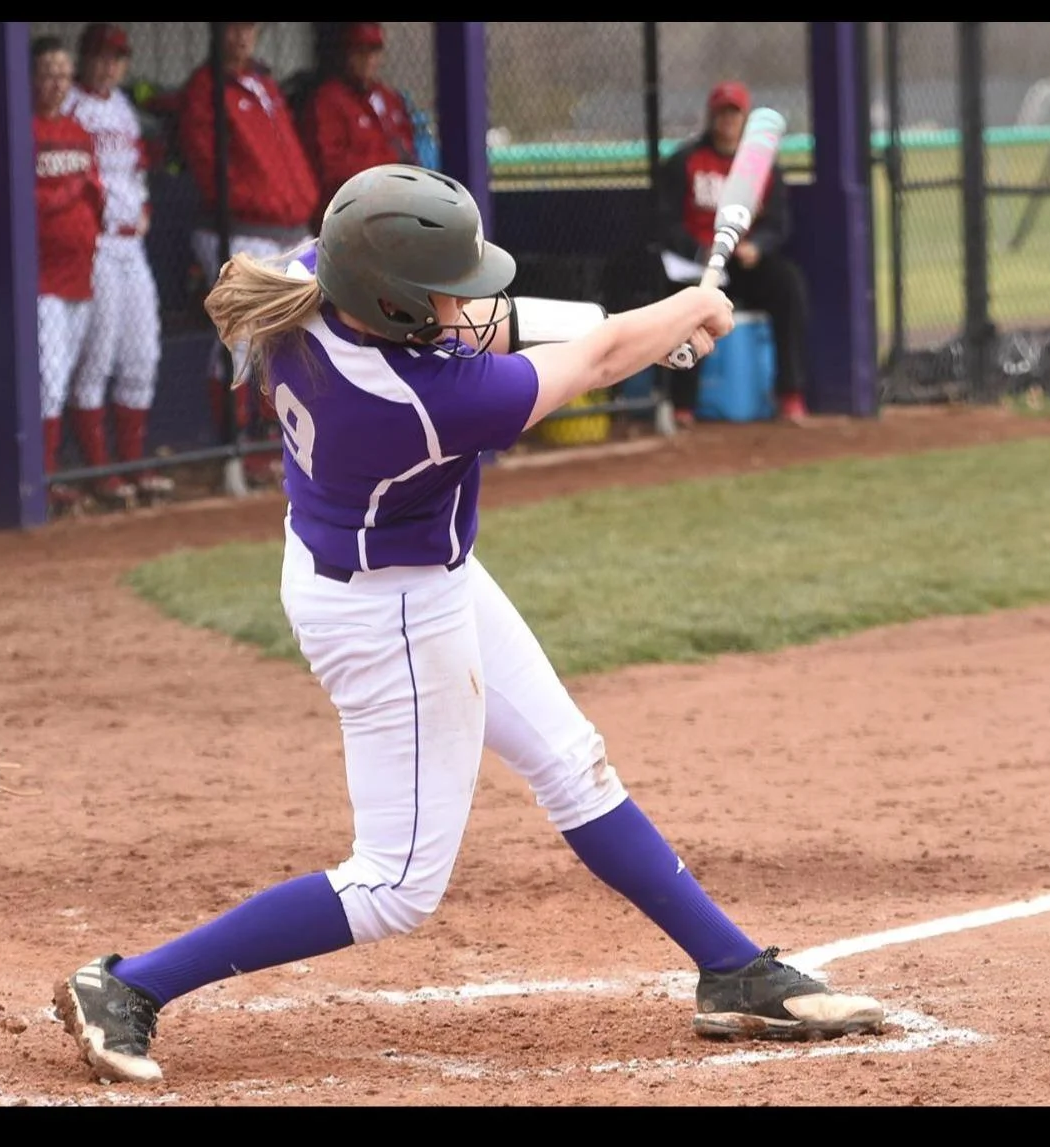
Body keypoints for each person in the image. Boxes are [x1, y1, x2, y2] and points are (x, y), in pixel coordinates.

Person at [50, 164, 887, 1086]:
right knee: (393, 885)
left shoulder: (311, 282)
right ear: (394, 302)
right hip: (393, 614)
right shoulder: (421, 402)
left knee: (571, 759)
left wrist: (664, 321)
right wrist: (670, 319)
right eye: (442, 288)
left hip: (382, 567)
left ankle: (734, 971)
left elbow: (518, 327)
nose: (465, 300)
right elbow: (591, 360)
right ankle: (131, 985)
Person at [177, 21, 318, 485]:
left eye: (249, 29)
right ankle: (232, 453)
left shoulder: (262, 82)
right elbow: (206, 162)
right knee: (241, 339)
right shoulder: (206, 87)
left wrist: (294, 203)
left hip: (286, 228)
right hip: (239, 230)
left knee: (289, 336)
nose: (242, 37)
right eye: (234, 29)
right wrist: (255, 202)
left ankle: (270, 445)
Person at [655, 80, 810, 427]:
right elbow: (665, 223)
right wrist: (699, 250)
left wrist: (759, 246)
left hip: (743, 263)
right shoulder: (686, 161)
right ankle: (683, 404)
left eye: (734, 113)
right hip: (698, 263)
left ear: (744, 118)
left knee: (789, 284)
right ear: (711, 116)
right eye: (722, 113)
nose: (727, 120)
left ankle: (791, 395)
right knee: (688, 306)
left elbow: (778, 223)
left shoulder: (762, 168)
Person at [65, 22, 171, 504]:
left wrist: (144, 206)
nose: (109, 65)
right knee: (98, 358)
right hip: (97, 245)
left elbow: (136, 170)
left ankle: (131, 463)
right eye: (102, 56)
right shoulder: (71, 105)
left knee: (143, 353)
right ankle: (100, 469)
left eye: (117, 58)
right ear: (84, 58)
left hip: (132, 246)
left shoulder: (123, 107)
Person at [30, 36, 107, 508]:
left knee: (70, 372)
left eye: (63, 73)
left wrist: (75, 193)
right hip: (42, 280)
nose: (57, 82)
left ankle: (53, 474)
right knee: (49, 379)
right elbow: (31, 203)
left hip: (81, 271)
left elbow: (94, 192)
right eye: (47, 73)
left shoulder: (79, 130)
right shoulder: (24, 129)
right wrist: (69, 193)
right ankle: (41, 478)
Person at [303, 22, 420, 219]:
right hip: (352, 212)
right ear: (346, 54)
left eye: (374, 52)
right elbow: (332, 169)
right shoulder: (329, 100)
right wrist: (388, 167)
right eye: (360, 52)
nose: (368, 60)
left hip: (397, 205)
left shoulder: (389, 98)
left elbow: (409, 151)